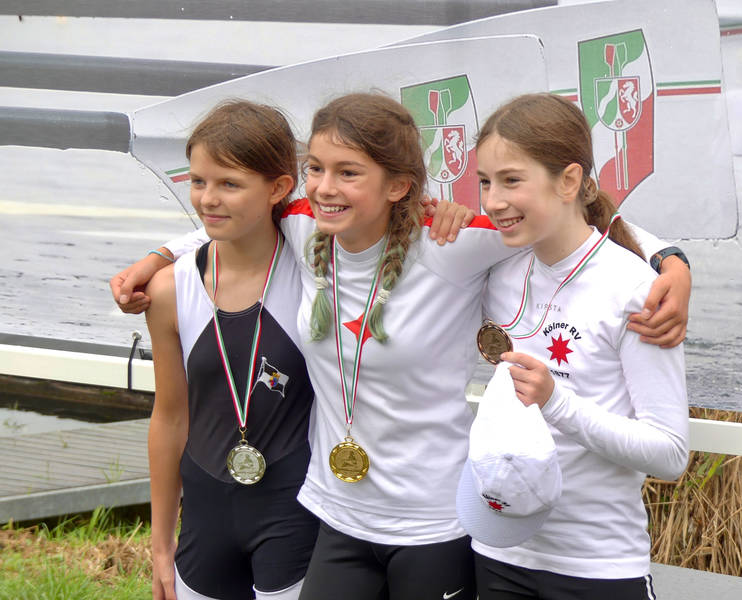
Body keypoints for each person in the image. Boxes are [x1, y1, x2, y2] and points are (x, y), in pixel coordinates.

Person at [111, 92, 691, 600]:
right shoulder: (306, 225)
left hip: (436, 523)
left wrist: (669, 262)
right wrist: (159, 257)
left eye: (347, 172)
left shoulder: (454, 243)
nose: (325, 187)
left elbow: (569, 222)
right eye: (315, 169)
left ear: (398, 185)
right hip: (338, 514)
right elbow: (235, 207)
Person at [460, 93, 689, 600]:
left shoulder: (636, 289)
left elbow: (670, 454)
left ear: (568, 181)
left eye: (511, 180)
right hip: (497, 546)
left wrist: (556, 403)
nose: (492, 201)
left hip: (598, 565)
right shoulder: (497, 265)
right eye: (485, 182)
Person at [144, 100, 318, 600]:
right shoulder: (169, 289)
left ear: (279, 188)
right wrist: (161, 543)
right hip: (205, 520)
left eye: (229, 184)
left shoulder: (316, 275)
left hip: (295, 512)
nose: (208, 199)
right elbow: (169, 417)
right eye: (198, 181)